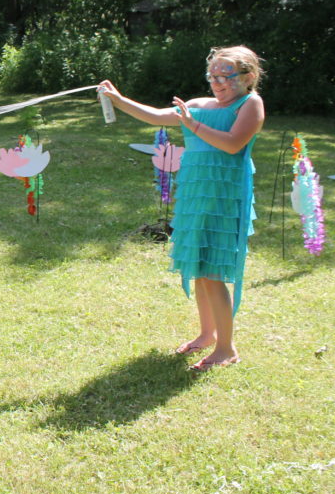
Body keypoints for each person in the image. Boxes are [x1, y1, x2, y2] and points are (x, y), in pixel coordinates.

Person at [98, 45, 266, 372]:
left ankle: (226, 348)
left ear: (248, 77)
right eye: (212, 76)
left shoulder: (250, 104)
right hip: (195, 193)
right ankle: (206, 334)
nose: (216, 82)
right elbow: (156, 115)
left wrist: (193, 125)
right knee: (198, 267)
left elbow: (233, 143)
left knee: (213, 271)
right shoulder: (197, 104)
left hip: (224, 196)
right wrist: (118, 99)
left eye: (225, 76)